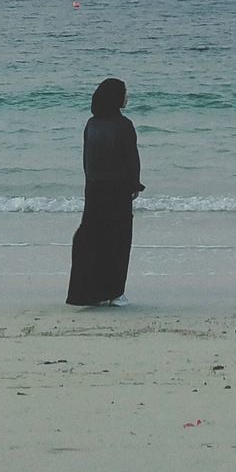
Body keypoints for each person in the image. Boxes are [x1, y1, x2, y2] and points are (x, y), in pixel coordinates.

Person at [66, 78, 144, 306]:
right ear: (116, 97)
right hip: (118, 191)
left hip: (94, 190)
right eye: (125, 93)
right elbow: (131, 159)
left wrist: (90, 185)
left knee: (92, 240)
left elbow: (86, 159)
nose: (127, 97)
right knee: (118, 242)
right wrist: (135, 185)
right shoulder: (124, 125)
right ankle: (115, 293)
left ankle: (88, 293)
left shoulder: (91, 123)